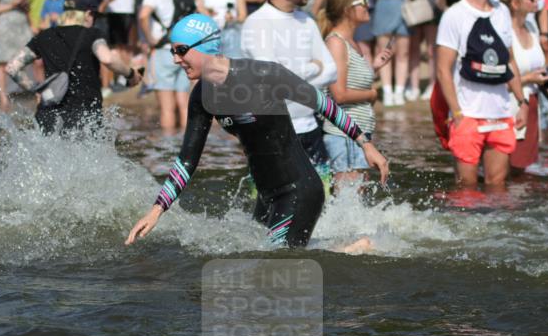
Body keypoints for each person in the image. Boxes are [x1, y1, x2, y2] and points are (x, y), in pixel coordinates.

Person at [125, 14, 388, 248]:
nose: (176, 59)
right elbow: (187, 160)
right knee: (261, 258)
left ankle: (354, 252)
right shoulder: (202, 96)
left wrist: (366, 144)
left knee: (275, 265)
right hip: (266, 195)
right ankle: (352, 247)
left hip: (299, 190)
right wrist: (157, 210)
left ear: (206, 46)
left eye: (182, 50)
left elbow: (323, 104)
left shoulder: (263, 74)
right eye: (173, 51)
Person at [433, 0, 527, 189]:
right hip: (468, 113)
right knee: (466, 187)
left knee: (498, 185)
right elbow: (443, 70)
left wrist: (521, 101)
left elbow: (510, 60)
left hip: (500, 112)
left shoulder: (502, 11)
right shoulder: (454, 15)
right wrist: (456, 113)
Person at [241, 0, 338, 177]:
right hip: (271, 130)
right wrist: (312, 68)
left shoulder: (307, 20)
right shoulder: (257, 22)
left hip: (310, 128)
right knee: (273, 197)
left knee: (324, 195)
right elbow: (274, 78)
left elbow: (331, 70)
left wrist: (292, 80)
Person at [5, 0, 140, 135]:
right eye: (94, 17)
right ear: (88, 14)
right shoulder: (92, 34)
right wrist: (131, 74)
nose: (94, 21)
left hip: (48, 115)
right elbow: (108, 59)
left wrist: (36, 90)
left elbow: (12, 67)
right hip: (84, 118)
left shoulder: (44, 36)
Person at [320, 0, 393, 189]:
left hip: (357, 135)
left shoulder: (352, 42)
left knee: (355, 199)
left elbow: (349, 81)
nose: (368, 5)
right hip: (343, 136)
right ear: (347, 9)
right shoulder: (336, 42)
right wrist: (371, 94)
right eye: (363, 1)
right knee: (348, 200)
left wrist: (373, 68)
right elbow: (339, 94)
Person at [501, 0, 548, 173]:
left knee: (525, 170)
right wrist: (529, 78)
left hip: (532, 104)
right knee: (507, 171)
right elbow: (496, 81)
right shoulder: (503, 33)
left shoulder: (532, 28)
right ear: (515, 4)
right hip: (509, 107)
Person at [139, 0, 193, 132]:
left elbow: (143, 15)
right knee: (184, 105)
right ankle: (187, 141)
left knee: (166, 108)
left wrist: (150, 39)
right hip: (186, 52)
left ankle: (167, 144)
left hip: (163, 51)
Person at [365, 0, 416, 106]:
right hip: (383, 5)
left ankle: (399, 91)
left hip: (401, 5)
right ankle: (387, 91)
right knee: (383, 51)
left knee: (403, 52)